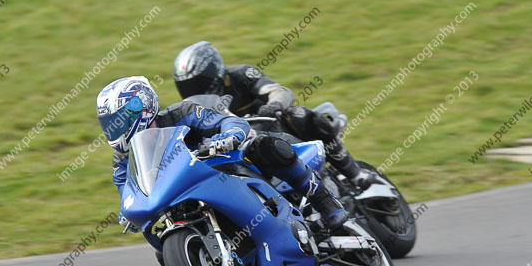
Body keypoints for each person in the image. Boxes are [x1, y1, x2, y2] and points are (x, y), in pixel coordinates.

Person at [96, 76, 348, 228]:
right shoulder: (122, 157)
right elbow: (128, 191)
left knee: (266, 146)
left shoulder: (181, 113)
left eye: (119, 119)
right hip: (184, 193)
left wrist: (228, 137)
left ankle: (325, 202)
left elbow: (230, 123)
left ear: (142, 106)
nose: (115, 128)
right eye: (109, 123)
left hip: (225, 165)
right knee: (160, 241)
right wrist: (127, 213)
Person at [173, 41, 375, 189]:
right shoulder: (193, 108)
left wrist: (274, 105)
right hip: (244, 151)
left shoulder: (242, 74)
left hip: (276, 131)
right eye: (188, 85)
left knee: (298, 113)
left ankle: (355, 174)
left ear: (213, 72)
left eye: (198, 83)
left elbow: (280, 91)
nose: (194, 90)